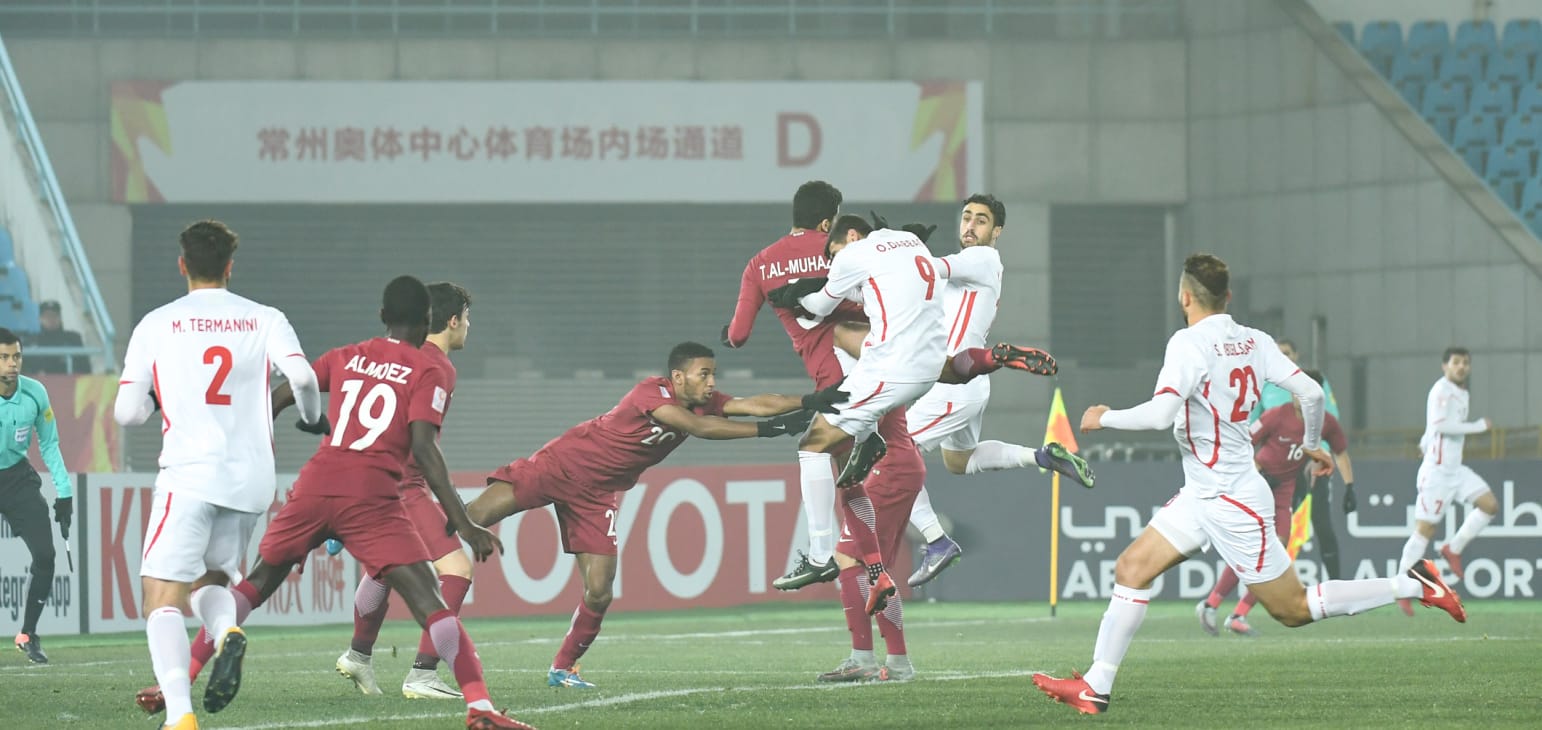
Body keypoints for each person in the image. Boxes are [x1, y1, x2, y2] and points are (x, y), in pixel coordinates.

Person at [1030, 254, 1465, 716]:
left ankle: (1414, 583)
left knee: (1293, 609)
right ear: (1228, 297)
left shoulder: (1187, 344)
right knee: (1132, 569)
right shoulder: (1254, 341)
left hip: (1234, 501)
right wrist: (1312, 443)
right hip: (1203, 493)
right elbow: (1312, 394)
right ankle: (1097, 685)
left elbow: (1160, 415)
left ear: (1184, 297)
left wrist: (1104, 417)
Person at [137, 275, 536, 730]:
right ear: (428, 320)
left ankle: (177, 682)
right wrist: (463, 523)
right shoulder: (431, 369)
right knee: (431, 601)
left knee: (255, 585)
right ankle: (480, 708)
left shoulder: (347, 355)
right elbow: (424, 449)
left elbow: (280, 395)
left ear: (383, 317)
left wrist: (242, 448)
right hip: (372, 497)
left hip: (315, 486)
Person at [465, 341, 844, 690]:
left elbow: (757, 402)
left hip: (596, 497)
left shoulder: (704, 401)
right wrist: (766, 431)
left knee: (599, 592)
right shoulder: (653, 390)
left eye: (713, 374)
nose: (712, 382)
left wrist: (812, 400)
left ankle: (563, 668)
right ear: (678, 377)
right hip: (559, 466)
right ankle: (419, 550)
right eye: (704, 374)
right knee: (472, 517)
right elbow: (698, 428)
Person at [113, 220, 324, 730]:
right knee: (212, 580)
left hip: (189, 474)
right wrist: (313, 417)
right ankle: (227, 629)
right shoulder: (264, 318)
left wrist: (160, 398)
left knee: (161, 594)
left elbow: (126, 413)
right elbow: (302, 376)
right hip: (250, 480)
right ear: (230, 267)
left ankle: (181, 716)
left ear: (183, 264)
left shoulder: (157, 323)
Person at [861, 196, 1097, 588]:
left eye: (982, 220)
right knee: (960, 460)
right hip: (968, 384)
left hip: (950, 385)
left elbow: (927, 270)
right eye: (967, 217)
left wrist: (888, 245)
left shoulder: (981, 260)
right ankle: (1040, 455)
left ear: (997, 231)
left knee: (890, 457)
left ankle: (936, 541)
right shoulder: (973, 265)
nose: (970, 226)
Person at [333, 282, 477, 700]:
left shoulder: (391, 355)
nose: (468, 327)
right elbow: (421, 443)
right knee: (457, 569)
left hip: (363, 480)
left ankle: (359, 655)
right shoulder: (438, 367)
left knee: (384, 568)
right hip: (400, 487)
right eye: (467, 319)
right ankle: (423, 673)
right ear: (452, 321)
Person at [722, 180, 864, 589]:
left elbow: (739, 334)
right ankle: (916, 543)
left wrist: (727, 336)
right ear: (827, 220)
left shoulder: (760, 264)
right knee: (866, 486)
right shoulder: (844, 248)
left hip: (837, 381)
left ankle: (825, 554)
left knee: (815, 451)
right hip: (880, 360)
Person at [1198, 369, 1355, 637]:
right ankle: (1211, 604)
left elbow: (1340, 451)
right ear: (1293, 392)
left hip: (1285, 491)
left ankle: (1238, 615)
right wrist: (1253, 474)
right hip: (1256, 485)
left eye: (1312, 394)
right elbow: (1244, 443)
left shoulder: (1325, 423)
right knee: (1251, 551)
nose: (1306, 399)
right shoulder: (1276, 415)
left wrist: (1350, 486)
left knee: (1278, 553)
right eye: (1301, 391)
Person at [1395, 347, 1497, 611]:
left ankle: (1454, 548)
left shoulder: (1461, 392)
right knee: (1424, 530)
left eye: (1465, 363)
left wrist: (1424, 440)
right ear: (1445, 366)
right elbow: (1441, 425)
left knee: (1489, 506)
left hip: (1456, 470)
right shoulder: (1441, 389)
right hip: (1437, 472)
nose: (1461, 367)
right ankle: (1400, 588)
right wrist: (1478, 426)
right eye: (1456, 362)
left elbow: (1433, 428)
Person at [1249, 338, 1355, 579]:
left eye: (1286, 352)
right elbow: (1253, 426)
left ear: (1296, 355)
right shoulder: (1262, 385)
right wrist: (1255, 467)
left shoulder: (1314, 382)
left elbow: (1330, 420)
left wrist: (1317, 457)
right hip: (1278, 468)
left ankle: (1336, 584)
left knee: (1321, 522)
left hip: (1312, 464)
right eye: (1277, 353)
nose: (1282, 356)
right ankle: (1271, 582)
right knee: (1272, 529)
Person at [0, 328, 74, 665]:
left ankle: (27, 634)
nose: (12, 364)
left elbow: (49, 444)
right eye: (4, 358)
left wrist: (65, 493)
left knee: (45, 555)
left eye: (16, 356)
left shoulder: (35, 393)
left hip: (17, 478)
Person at [22, 300, 89, 375]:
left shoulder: (73, 339)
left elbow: (85, 368)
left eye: (54, 315)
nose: (51, 319)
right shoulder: (30, 342)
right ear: (40, 319)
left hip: (69, 384)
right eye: (47, 316)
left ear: (60, 318)